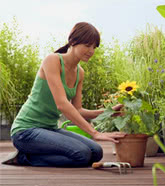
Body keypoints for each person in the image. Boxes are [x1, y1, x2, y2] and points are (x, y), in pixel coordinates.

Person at [2, 22, 125, 167]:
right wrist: (94, 132)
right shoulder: (52, 60)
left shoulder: (80, 72)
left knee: (96, 152)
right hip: (26, 131)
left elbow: (78, 110)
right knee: (82, 154)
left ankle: (34, 154)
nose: (91, 50)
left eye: (94, 47)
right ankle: (24, 158)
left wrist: (108, 113)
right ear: (73, 41)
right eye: (87, 45)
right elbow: (62, 104)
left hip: (50, 128)